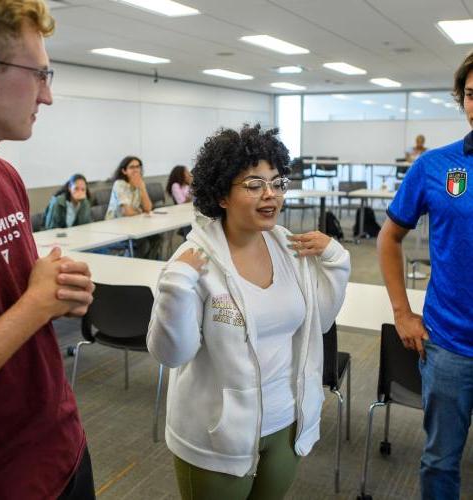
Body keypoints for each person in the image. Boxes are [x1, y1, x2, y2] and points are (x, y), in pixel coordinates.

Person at [147, 124, 350, 500]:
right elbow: (171, 354)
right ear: (222, 194)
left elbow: (317, 324)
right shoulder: (195, 262)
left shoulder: (290, 250)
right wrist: (175, 289)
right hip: (217, 432)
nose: (270, 194)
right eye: (254, 184)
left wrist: (337, 262)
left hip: (286, 421)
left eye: (277, 183)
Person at [0, 2, 96, 499]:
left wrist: (60, 291)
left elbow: (14, 304)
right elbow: (26, 309)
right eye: (40, 74)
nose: (48, 96)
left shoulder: (6, 178)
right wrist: (35, 305)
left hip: (61, 445)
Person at [378, 52, 473, 500]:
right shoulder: (435, 166)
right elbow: (388, 237)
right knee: (440, 461)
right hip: (450, 343)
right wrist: (402, 312)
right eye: (472, 95)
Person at [106, 155, 161, 258]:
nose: (136, 170)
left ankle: (150, 264)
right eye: (132, 167)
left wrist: (142, 188)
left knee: (156, 238)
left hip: (133, 225)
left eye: (138, 166)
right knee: (142, 240)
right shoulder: (119, 184)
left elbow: (148, 208)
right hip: (115, 228)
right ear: (124, 171)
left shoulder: (138, 184)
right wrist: (140, 212)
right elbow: (128, 212)